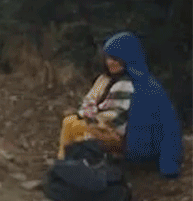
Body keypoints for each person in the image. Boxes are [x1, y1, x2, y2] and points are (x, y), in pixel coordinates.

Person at [57, 31, 182, 179]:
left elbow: (169, 125)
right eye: (108, 58)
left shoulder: (147, 87)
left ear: (127, 58)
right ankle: (65, 167)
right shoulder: (106, 80)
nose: (110, 62)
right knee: (70, 123)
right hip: (105, 128)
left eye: (115, 58)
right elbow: (90, 101)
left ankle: (64, 169)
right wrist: (90, 117)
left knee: (74, 126)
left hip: (128, 141)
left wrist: (169, 166)